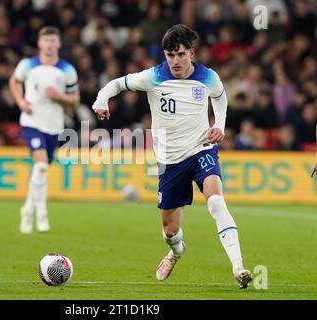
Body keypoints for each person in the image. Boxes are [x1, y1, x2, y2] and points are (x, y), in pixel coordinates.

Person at [92, 24, 252, 289]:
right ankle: (176, 251)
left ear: (191, 52)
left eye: (180, 54)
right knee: (170, 231)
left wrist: (220, 126)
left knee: (216, 203)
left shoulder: (208, 77)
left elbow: (220, 99)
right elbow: (117, 84)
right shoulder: (153, 76)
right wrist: (101, 99)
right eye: (170, 55)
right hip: (169, 161)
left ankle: (238, 267)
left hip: (201, 150)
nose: (175, 61)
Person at [9, 26, 80, 234]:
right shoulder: (27, 65)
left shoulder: (67, 70)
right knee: (40, 167)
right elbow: (14, 81)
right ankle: (41, 213)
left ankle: (27, 209)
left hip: (54, 125)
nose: (49, 44)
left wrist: (60, 96)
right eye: (45, 40)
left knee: (42, 170)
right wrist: (21, 101)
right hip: (31, 121)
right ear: (39, 43)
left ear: (58, 44)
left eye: (52, 40)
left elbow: (75, 99)